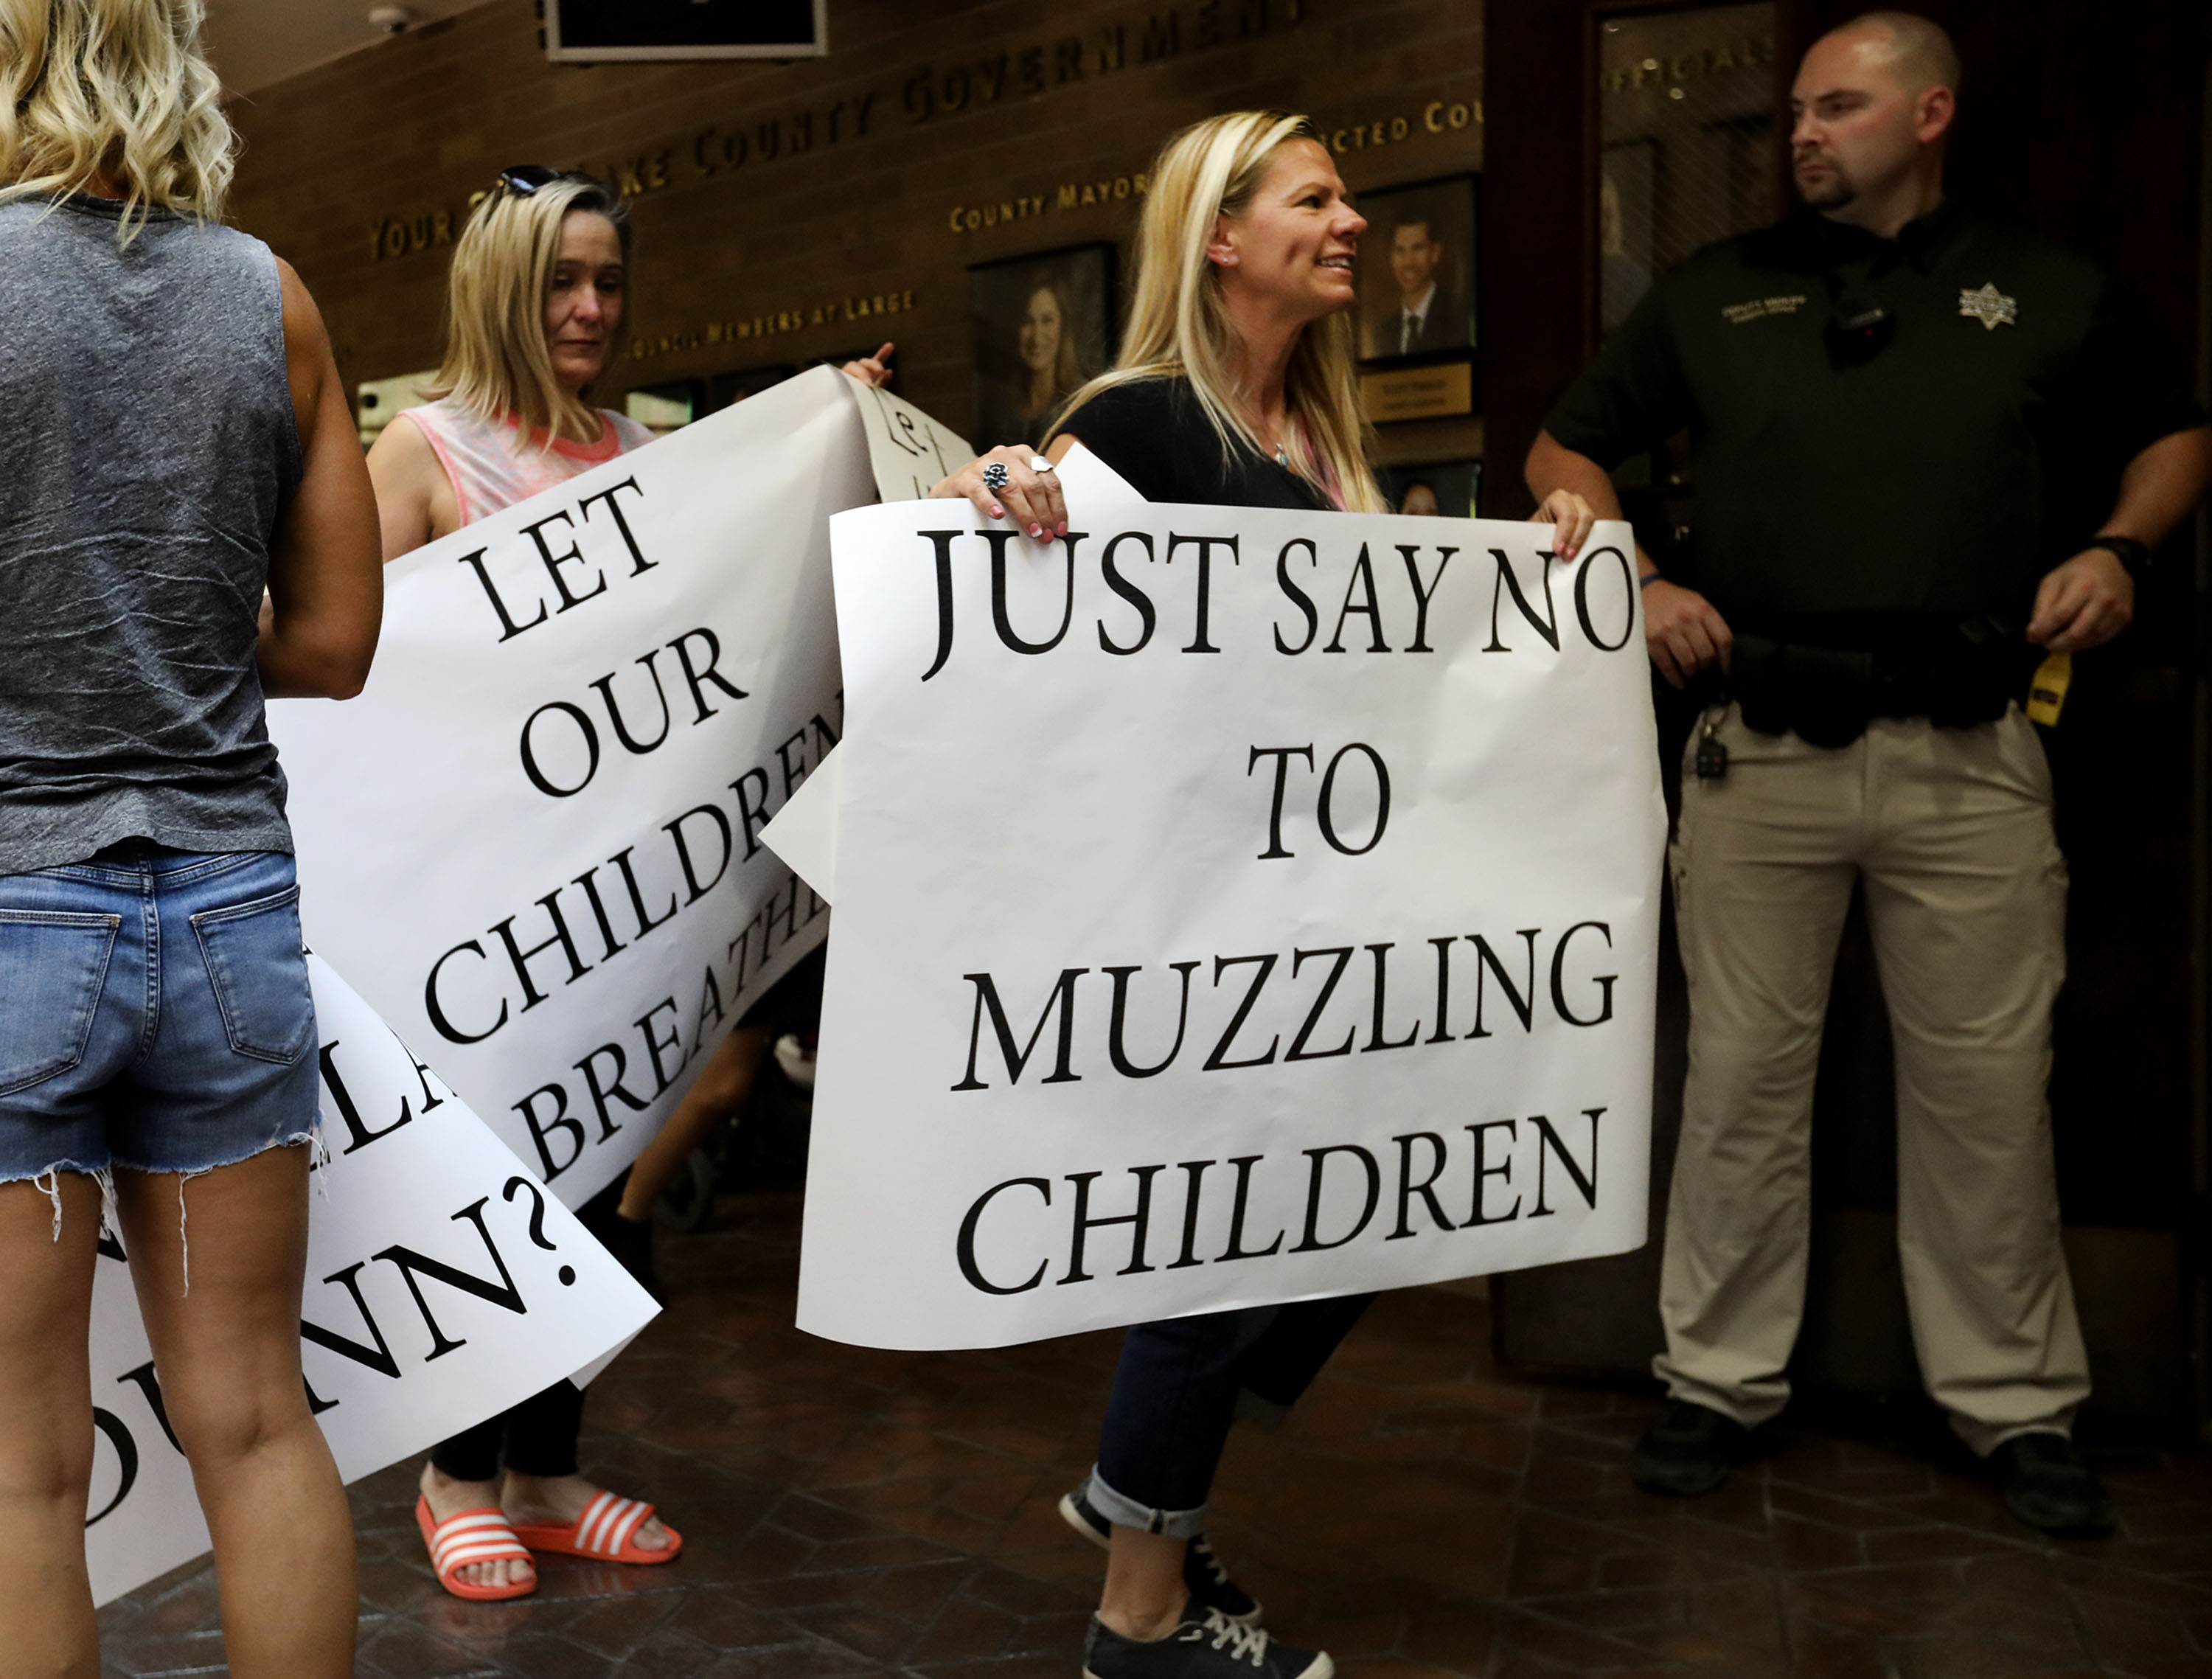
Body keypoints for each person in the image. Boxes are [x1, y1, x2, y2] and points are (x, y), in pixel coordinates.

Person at [1525, 11, 2212, 1537]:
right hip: (1753, 744)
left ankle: (2016, 1405)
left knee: (1984, 1092)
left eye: (1840, 107)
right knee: (1740, 1088)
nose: (1804, 133)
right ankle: (1713, 1377)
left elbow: (2176, 436)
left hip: (1972, 746)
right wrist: (1626, 579)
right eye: (1796, 112)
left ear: (1933, 113)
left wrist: (2120, 547)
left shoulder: (2046, 289)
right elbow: (1560, 454)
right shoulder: (1718, 293)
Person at [935, 111, 1593, 1679]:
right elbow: (1017, 556)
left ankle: (1136, 1496)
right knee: (1220, 1234)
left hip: (1327, 913)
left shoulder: (1324, 438)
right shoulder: (1144, 423)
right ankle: (1138, 1617)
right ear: (1221, 236)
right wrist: (1006, 491)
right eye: (1318, 197)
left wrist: (1545, 559)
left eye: (1352, 197)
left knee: (1360, 1205)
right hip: (1197, 916)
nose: (1354, 219)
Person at [369, 166, 891, 1600]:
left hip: (639, 918)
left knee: (597, 1198)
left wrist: (837, 432)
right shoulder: (424, 453)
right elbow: (345, 674)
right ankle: (454, 1474)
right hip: (482, 918)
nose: (592, 307)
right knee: (488, 1198)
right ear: (501, 289)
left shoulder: (653, 451)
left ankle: (545, 1466)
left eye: (609, 280)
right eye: (562, 282)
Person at [0, 3, 385, 1674]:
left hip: (13, 912)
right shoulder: (267, 294)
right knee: (252, 1417)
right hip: (228, 908)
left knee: (20, 1468)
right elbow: (334, 644)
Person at [1362, 212, 1467, 358]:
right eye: (1400, 251)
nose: (1408, 263)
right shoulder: (1384, 330)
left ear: (1435, 253)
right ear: (1391, 258)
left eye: (1418, 248)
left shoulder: (1458, 316)